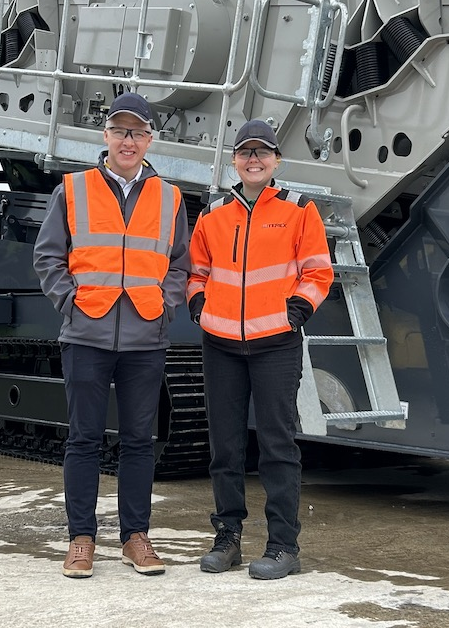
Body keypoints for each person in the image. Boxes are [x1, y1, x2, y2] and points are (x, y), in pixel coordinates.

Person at [33, 91, 190, 579]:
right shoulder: (73, 189)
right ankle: (81, 540)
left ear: (149, 140)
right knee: (83, 439)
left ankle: (135, 538)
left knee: (140, 440)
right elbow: (48, 256)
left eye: (138, 132)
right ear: (106, 136)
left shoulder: (170, 196)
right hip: (86, 336)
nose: (129, 140)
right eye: (120, 130)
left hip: (145, 337)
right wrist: (71, 301)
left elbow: (180, 264)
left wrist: (164, 306)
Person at [186, 119, 333, 580]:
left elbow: (317, 272)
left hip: (276, 345)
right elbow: (197, 272)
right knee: (225, 448)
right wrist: (198, 307)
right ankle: (227, 538)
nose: (254, 160)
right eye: (246, 153)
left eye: (262, 153)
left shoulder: (298, 209)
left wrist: (298, 310)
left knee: (277, 446)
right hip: (222, 345)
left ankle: (283, 546)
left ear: (275, 161)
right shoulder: (213, 214)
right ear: (235, 160)